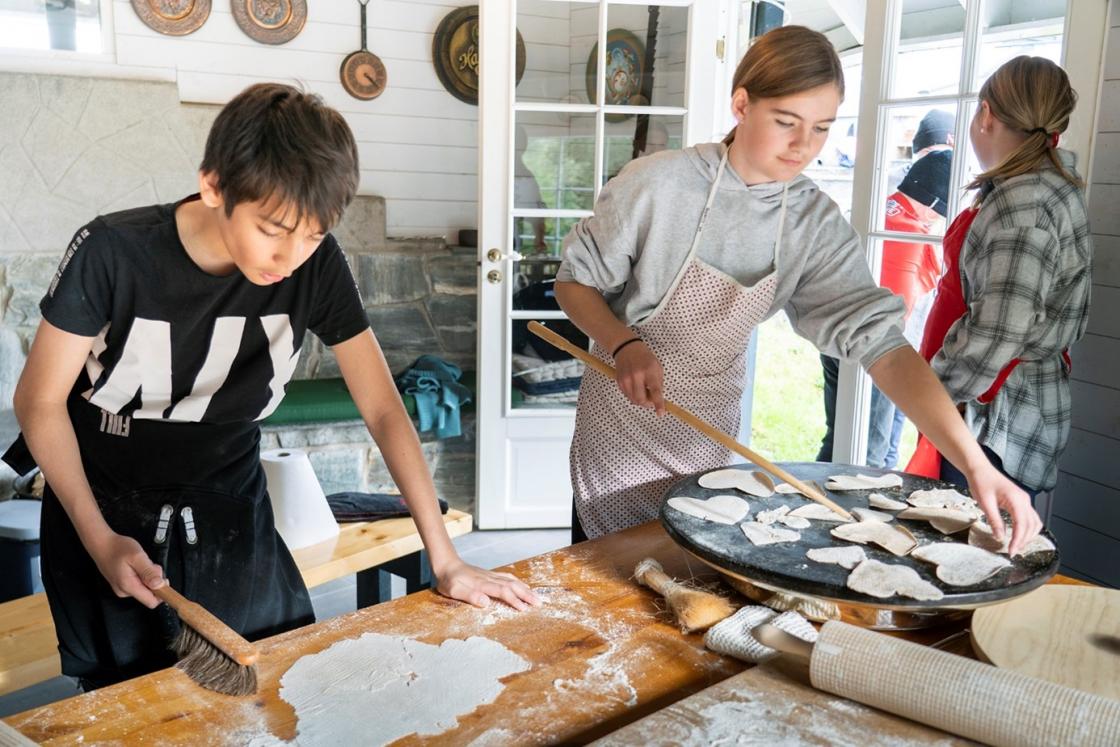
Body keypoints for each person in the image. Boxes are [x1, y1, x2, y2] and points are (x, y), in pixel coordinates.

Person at [4, 83, 539, 690]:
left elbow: (384, 408)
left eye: (312, 235)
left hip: (228, 493)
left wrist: (445, 558)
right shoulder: (113, 251)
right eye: (273, 228)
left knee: (268, 677)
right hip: (104, 493)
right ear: (214, 186)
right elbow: (38, 401)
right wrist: (98, 537)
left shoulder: (315, 260)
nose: (290, 256)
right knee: (128, 696)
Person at [554, 26, 1041, 554]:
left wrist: (974, 465)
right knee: (610, 586)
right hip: (620, 422)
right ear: (741, 104)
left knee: (684, 577)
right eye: (786, 122)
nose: (802, 146)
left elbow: (885, 348)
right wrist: (623, 342)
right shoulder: (656, 185)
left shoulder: (812, 223)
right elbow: (574, 283)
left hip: (709, 426)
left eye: (821, 128)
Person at [906, 56, 1091, 507]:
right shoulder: (1038, 187)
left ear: (986, 115)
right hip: (990, 412)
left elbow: (997, 335)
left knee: (965, 560)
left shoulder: (1023, 208)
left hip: (993, 421)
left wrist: (925, 392)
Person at [818, 146, 952, 467]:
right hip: (878, 348)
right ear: (934, 203)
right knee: (872, 452)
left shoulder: (877, 208)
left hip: (835, 338)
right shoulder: (909, 234)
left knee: (842, 435)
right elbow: (900, 311)